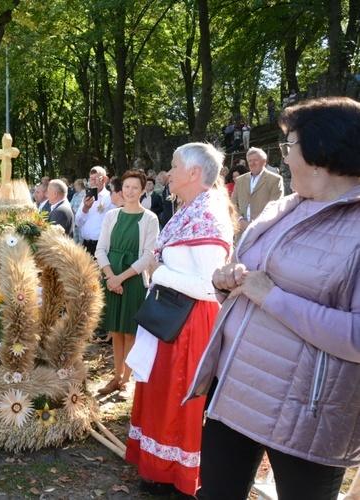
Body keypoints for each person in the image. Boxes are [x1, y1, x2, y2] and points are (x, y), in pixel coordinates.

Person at [191, 97, 360, 500]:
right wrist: (225, 279)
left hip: (308, 412)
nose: (283, 158)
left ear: (321, 152)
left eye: (289, 147)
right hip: (234, 388)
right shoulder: (285, 207)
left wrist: (272, 297)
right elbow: (247, 276)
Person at [124, 142, 234, 496]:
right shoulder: (190, 210)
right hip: (172, 318)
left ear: (194, 173)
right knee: (161, 396)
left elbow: (209, 286)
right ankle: (160, 470)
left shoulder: (208, 216)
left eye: (173, 166)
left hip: (189, 325)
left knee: (177, 400)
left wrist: (159, 274)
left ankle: (179, 476)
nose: (167, 173)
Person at [96, 171, 159, 400]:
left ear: (143, 190)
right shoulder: (112, 216)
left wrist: (120, 278)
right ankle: (116, 375)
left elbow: (147, 255)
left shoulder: (150, 218)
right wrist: (110, 276)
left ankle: (126, 381)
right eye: (126, 187)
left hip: (132, 280)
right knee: (116, 330)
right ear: (121, 190)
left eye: (135, 187)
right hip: (111, 276)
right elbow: (101, 249)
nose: (130, 191)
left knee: (130, 331)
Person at [231, 147, 284, 238]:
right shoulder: (240, 180)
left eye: (255, 160)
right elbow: (232, 203)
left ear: (264, 161)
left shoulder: (275, 180)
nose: (252, 163)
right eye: (250, 160)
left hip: (263, 232)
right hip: (241, 231)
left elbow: (275, 206)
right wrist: (240, 220)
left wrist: (255, 224)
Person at [76, 166, 113, 256]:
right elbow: (78, 223)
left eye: (96, 179)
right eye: (91, 179)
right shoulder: (86, 198)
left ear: (104, 179)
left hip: (101, 245)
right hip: (85, 245)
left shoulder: (110, 197)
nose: (93, 182)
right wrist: (85, 208)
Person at [70, 179, 86, 244]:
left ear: (79, 185)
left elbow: (83, 207)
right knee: (75, 242)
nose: (74, 187)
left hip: (81, 222)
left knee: (81, 242)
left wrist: (74, 210)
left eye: (75, 185)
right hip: (74, 221)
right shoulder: (75, 195)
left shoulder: (85, 194)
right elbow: (71, 204)